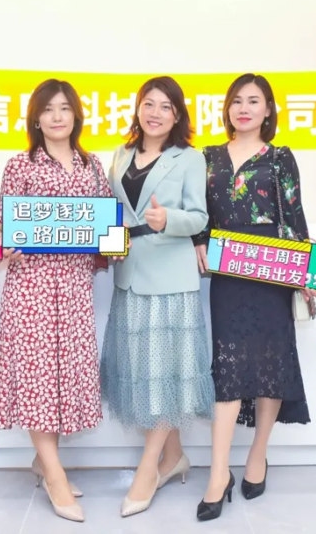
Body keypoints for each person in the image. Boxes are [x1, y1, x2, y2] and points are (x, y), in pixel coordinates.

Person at [192, 73, 316, 521]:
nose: (244, 108)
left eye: (253, 101)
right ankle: (217, 474)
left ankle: (257, 454)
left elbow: (294, 217)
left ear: (268, 110)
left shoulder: (281, 157)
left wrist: (308, 273)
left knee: (270, 365)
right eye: (237, 101)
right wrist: (199, 240)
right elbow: (199, 214)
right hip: (229, 272)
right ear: (227, 108)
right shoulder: (207, 156)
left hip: (272, 269)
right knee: (228, 370)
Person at [0, 79, 112, 523]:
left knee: (62, 376)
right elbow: (4, 226)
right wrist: (7, 242)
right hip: (33, 288)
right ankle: (56, 476)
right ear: (36, 118)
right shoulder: (20, 164)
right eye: (48, 109)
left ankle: (45, 463)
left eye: (65, 108)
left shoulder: (92, 166)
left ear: (76, 115)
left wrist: (115, 241)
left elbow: (106, 225)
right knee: (38, 377)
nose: (57, 116)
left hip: (75, 289)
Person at [99, 76, 215, 518]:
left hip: (171, 276)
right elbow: (112, 214)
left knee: (166, 375)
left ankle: (148, 469)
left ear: (177, 115)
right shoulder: (121, 154)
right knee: (145, 373)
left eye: (166, 106)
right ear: (138, 108)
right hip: (129, 274)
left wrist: (170, 219)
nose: (155, 113)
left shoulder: (190, 158)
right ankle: (174, 456)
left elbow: (199, 216)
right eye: (149, 103)